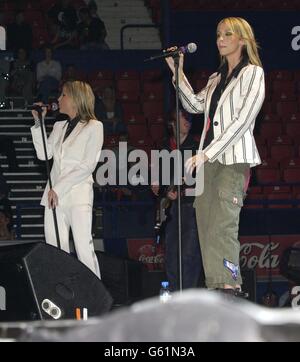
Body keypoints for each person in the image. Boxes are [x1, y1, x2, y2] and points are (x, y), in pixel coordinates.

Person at [165, 17, 265, 295]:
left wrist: (206, 154)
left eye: (228, 34)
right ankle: (217, 287)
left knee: (223, 226)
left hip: (231, 161)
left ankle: (231, 288)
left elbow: (243, 120)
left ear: (242, 40)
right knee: (206, 228)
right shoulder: (216, 77)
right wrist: (177, 71)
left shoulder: (253, 73)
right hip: (208, 162)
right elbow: (193, 104)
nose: (220, 39)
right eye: (218, 34)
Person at [30, 81, 103, 278]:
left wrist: (59, 188)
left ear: (76, 99)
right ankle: (62, 297)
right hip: (54, 197)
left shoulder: (94, 127)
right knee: (55, 249)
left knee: (83, 247)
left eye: (63, 95)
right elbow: (44, 155)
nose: (59, 99)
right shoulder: (60, 126)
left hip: (77, 195)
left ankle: (96, 298)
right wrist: (39, 123)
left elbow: (87, 165)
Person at [151, 109, 204, 291]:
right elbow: (159, 180)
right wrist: (163, 189)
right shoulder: (164, 146)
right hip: (171, 208)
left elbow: (202, 179)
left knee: (189, 254)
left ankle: (188, 295)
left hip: (191, 206)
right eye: (184, 117)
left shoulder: (196, 147)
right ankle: (175, 293)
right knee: (172, 255)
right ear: (172, 123)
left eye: (189, 118)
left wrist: (183, 188)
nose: (188, 121)